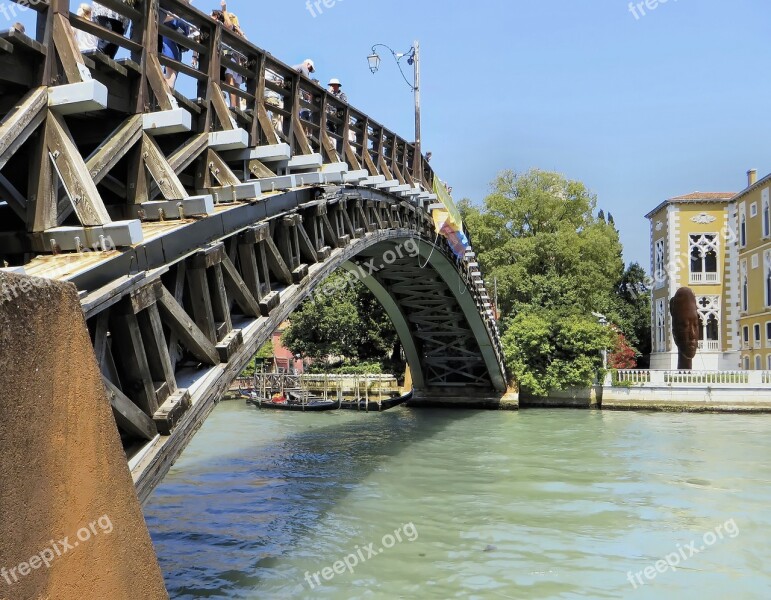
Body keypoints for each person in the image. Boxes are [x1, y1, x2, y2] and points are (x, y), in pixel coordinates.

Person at [159, 1, 191, 90]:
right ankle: (169, 81)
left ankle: (169, 81)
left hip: (173, 34)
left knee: (171, 50)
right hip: (169, 31)